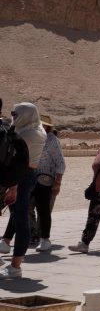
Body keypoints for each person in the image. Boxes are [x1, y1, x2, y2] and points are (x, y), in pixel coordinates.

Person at [0, 103, 47, 279]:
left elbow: (15, 157)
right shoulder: (36, 129)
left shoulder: (27, 134)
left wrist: (13, 185)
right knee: (17, 214)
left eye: (16, 114)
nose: (13, 117)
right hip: (24, 175)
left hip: (20, 176)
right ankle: (5, 243)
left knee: (21, 220)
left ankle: (15, 266)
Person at [31, 115, 65, 252]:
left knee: (44, 210)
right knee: (26, 207)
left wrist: (58, 183)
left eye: (42, 124)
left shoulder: (52, 140)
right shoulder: (31, 138)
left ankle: (43, 237)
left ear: (47, 126)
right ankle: (32, 233)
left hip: (47, 181)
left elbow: (61, 163)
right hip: (31, 180)